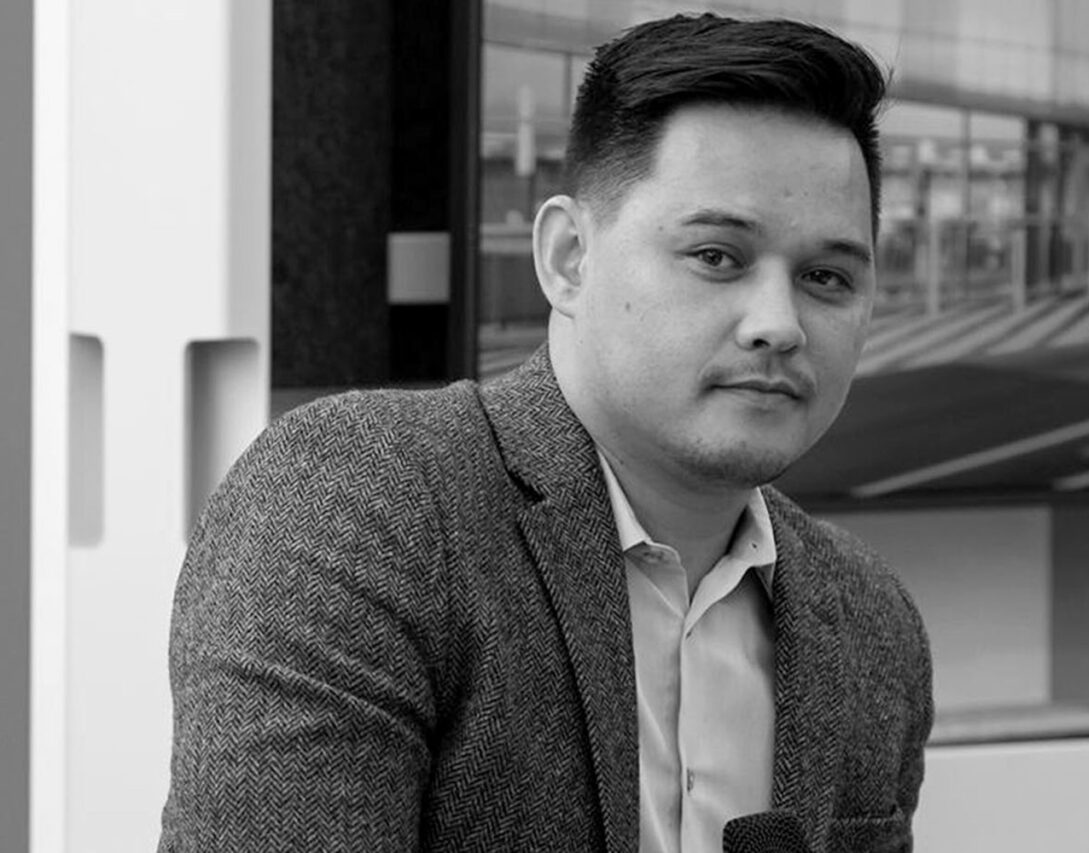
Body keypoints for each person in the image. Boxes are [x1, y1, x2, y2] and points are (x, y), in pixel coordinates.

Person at [158, 12, 932, 853]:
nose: (777, 324)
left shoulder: (871, 624)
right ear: (568, 256)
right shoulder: (361, 508)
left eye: (827, 277)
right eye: (717, 256)